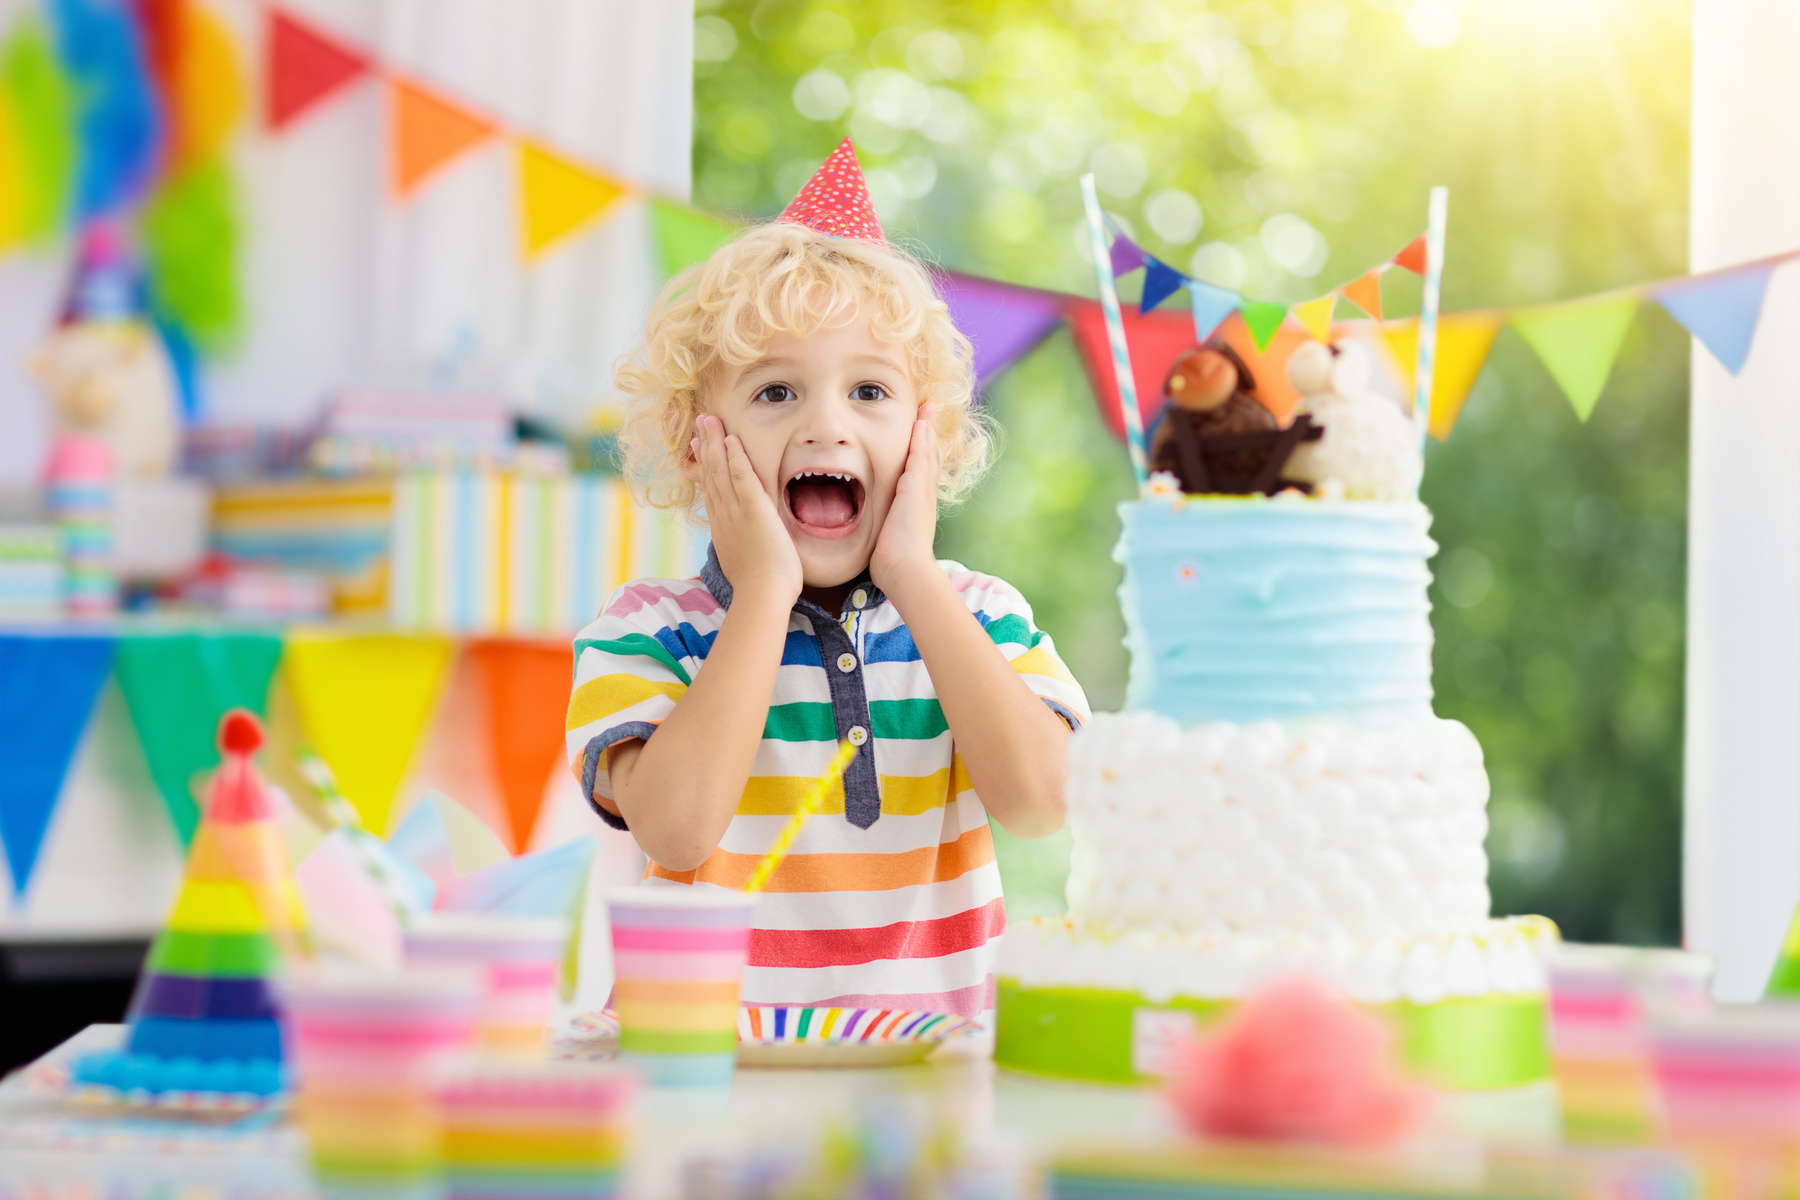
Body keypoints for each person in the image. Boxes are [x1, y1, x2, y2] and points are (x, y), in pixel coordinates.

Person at [563, 141, 1089, 1016]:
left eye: (870, 393)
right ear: (699, 443)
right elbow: (678, 828)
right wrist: (764, 596)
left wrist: (913, 576)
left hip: (927, 1082)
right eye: (775, 394)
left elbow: (1039, 805)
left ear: (930, 439)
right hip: (707, 1074)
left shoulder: (979, 617)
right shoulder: (645, 628)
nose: (826, 427)